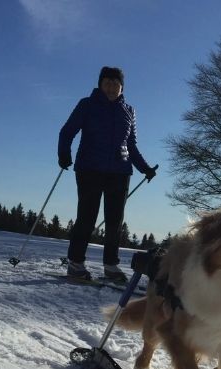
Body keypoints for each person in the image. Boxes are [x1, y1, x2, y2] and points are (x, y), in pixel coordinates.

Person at [58, 66, 156, 282]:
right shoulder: (87, 104)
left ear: (122, 87)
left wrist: (145, 168)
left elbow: (131, 145)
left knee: (114, 221)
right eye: (107, 82)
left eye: (116, 83)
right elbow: (67, 132)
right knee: (87, 217)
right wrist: (64, 154)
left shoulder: (129, 111)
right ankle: (75, 263)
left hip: (120, 172)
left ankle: (111, 266)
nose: (111, 87)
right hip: (89, 169)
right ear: (100, 84)